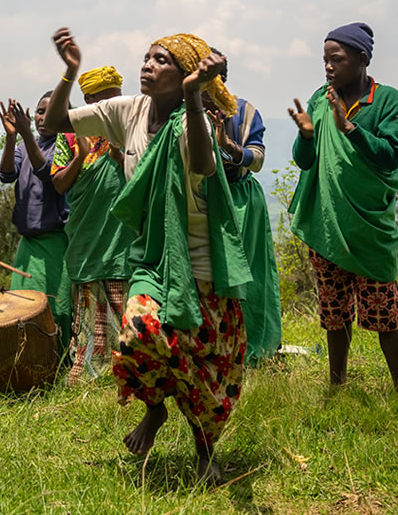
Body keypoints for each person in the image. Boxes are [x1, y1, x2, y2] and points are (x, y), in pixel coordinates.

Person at [43, 28, 251, 485]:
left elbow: (200, 163)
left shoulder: (194, 121)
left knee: (203, 364)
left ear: (185, 78)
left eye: (162, 61)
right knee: (138, 335)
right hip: (155, 259)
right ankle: (155, 411)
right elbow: (53, 123)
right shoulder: (127, 111)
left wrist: (195, 98)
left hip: (200, 258)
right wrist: (70, 72)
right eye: (147, 57)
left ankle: (204, 452)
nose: (148, 65)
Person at [287, 22, 398, 391]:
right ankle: (336, 386)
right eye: (325, 60)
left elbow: (390, 156)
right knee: (334, 315)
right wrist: (307, 135)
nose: (328, 67)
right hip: (328, 223)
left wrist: (351, 129)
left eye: (336, 59)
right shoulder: (320, 99)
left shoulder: (386, 100)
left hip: (368, 225)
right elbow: (305, 161)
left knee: (385, 314)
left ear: (362, 59)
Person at [51, 66, 135, 384]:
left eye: (117, 98)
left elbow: (146, 172)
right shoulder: (71, 134)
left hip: (123, 237)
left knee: (127, 307)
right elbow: (58, 183)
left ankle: (129, 372)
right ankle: (89, 373)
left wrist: (119, 156)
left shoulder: (130, 127)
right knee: (89, 309)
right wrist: (80, 156)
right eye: (106, 101)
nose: (114, 106)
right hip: (88, 237)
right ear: (88, 100)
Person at [206, 49, 282, 363]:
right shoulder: (183, 110)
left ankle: (253, 347)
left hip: (239, 200)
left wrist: (229, 147)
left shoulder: (242, 110)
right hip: (202, 201)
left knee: (250, 275)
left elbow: (258, 158)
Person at [0, 94, 71, 350]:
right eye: (39, 111)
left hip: (56, 243)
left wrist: (26, 135)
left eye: (49, 113)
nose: (42, 118)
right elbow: (6, 174)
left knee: (57, 307)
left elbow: (47, 171)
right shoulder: (22, 148)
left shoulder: (65, 145)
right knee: (23, 307)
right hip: (28, 245)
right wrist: (11, 137)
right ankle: (31, 361)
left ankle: (60, 361)